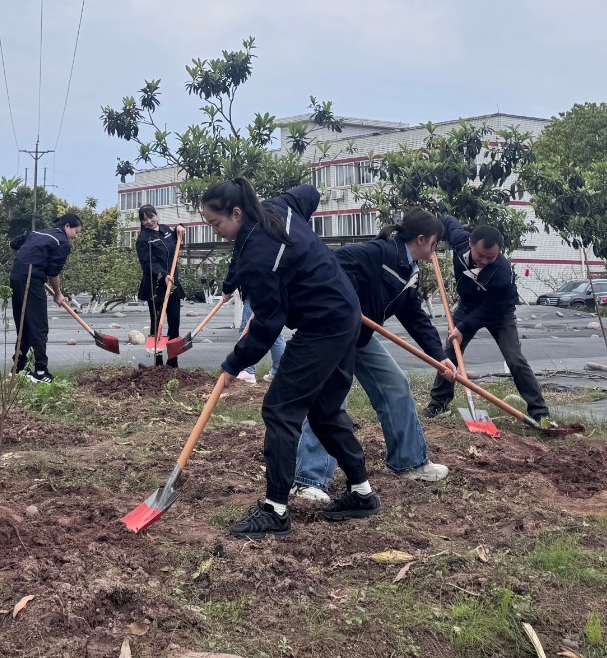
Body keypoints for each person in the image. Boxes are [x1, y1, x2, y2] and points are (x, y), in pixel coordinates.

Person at [204, 178, 376, 537]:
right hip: (346, 312)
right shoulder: (278, 207)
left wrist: (235, 362)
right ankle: (362, 493)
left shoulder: (259, 256)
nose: (215, 231)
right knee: (324, 410)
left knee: (280, 409)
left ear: (237, 213)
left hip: (323, 325)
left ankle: (275, 511)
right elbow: (311, 193)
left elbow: (269, 324)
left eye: (216, 223)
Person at [294, 208, 451, 500]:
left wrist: (438, 356)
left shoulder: (409, 270)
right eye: (434, 244)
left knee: (395, 384)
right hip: (334, 334)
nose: (434, 251)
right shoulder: (378, 252)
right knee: (329, 401)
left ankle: (408, 462)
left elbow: (414, 315)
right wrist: (350, 304)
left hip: (360, 337)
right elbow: (336, 263)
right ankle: (309, 480)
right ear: (421, 239)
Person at [424, 221, 552, 425]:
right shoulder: (460, 242)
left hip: (499, 313)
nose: (484, 261)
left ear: (499, 252)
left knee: (515, 359)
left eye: (490, 257)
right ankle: (439, 403)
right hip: (467, 307)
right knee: (450, 353)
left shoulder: (502, 273)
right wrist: (433, 238)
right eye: (480, 255)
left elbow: (491, 308)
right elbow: (447, 221)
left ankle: (540, 412)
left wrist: (462, 328)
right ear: (470, 243)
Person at [9, 211, 82, 384]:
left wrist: (24, 262)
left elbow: (13, 245)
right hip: (31, 281)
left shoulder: (36, 233)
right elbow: (53, 273)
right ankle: (41, 372)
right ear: (67, 226)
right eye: (76, 231)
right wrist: (58, 293)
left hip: (16, 277)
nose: (76, 236)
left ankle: (18, 368)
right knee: (39, 327)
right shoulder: (61, 242)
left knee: (24, 325)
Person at [135, 205, 182, 368]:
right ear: (142, 222)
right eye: (144, 219)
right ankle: (158, 362)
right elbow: (148, 263)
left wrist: (179, 227)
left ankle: (173, 361)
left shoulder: (165, 230)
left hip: (173, 284)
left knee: (174, 323)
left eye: (151, 217)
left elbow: (176, 238)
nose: (149, 221)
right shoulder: (143, 239)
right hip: (156, 287)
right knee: (157, 324)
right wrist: (163, 275)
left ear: (157, 215)